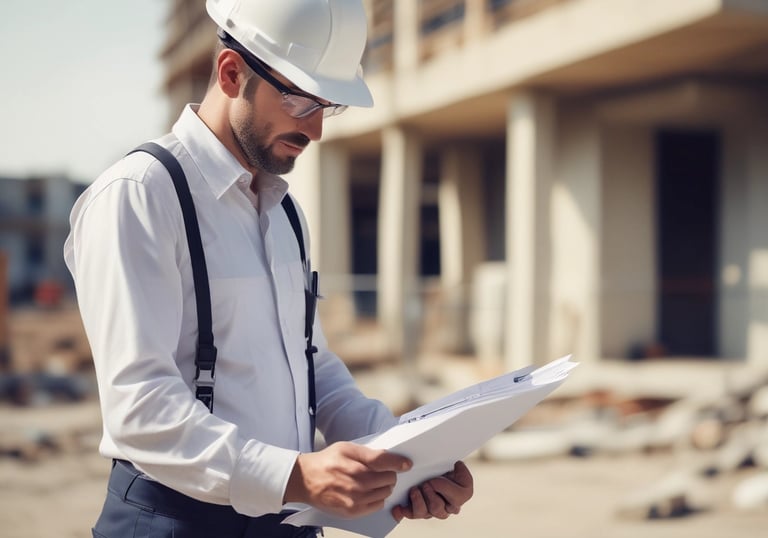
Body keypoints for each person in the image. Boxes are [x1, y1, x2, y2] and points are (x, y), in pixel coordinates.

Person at [64, 1, 473, 537]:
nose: (317, 130)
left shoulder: (283, 212)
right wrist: (295, 475)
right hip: (172, 523)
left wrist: (406, 459)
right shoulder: (140, 196)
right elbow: (140, 408)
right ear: (232, 73)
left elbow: (314, 370)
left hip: (286, 520)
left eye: (328, 105)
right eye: (302, 99)